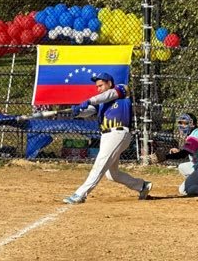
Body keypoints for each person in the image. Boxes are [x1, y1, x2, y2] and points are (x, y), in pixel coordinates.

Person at [63, 72, 152, 204]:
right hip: (106, 136)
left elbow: (107, 95)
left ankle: (80, 194)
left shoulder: (121, 89)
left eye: (101, 85)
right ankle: (142, 185)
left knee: (100, 164)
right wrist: (77, 112)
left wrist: (89, 100)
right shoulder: (101, 103)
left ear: (109, 83)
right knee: (112, 174)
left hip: (118, 133)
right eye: (97, 87)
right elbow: (90, 111)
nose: (98, 89)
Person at [165, 113, 198, 196]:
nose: (182, 126)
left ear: (193, 124)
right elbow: (188, 151)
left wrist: (165, 157)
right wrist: (179, 151)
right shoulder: (197, 132)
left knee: (187, 189)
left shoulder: (194, 137)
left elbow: (183, 154)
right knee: (182, 167)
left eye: (186, 123)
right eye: (181, 123)